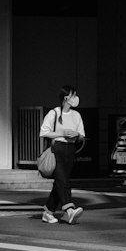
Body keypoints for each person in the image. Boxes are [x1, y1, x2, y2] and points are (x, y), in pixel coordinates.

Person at [39, 86, 86, 225]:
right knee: (63, 181)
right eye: (73, 95)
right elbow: (44, 132)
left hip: (70, 150)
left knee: (60, 182)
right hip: (57, 149)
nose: (76, 98)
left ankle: (48, 212)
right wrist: (62, 133)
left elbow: (82, 136)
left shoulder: (76, 115)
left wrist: (76, 135)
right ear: (66, 98)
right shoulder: (54, 113)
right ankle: (70, 210)